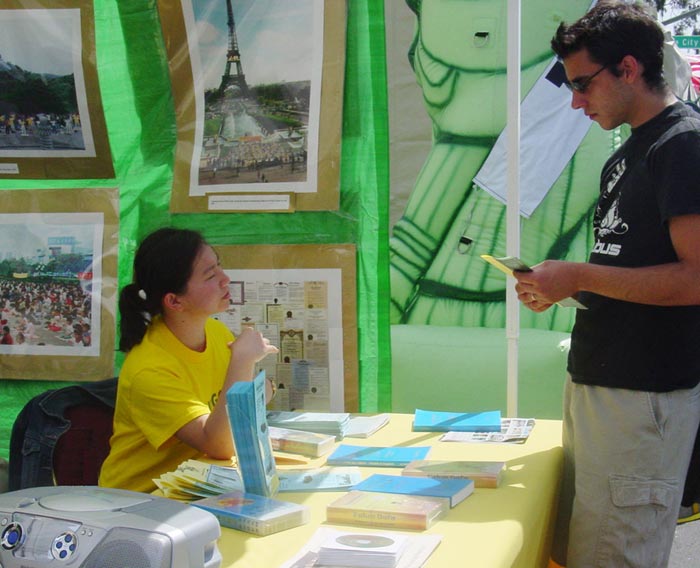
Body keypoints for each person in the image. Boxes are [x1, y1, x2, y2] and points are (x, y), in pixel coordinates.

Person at [512, 2, 700, 566]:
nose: (576, 102)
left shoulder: (683, 144)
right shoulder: (627, 152)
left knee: (613, 555)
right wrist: (566, 288)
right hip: (603, 385)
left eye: (582, 84)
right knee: (584, 548)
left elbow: (696, 277)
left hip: (644, 396)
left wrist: (577, 275)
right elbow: (630, 264)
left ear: (628, 68)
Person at [99, 228, 278, 493]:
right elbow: (220, 444)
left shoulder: (216, 333)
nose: (225, 279)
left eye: (219, 266)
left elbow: (245, 403)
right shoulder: (148, 370)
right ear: (174, 301)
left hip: (200, 484)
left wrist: (256, 390)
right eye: (210, 275)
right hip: (141, 500)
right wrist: (243, 361)